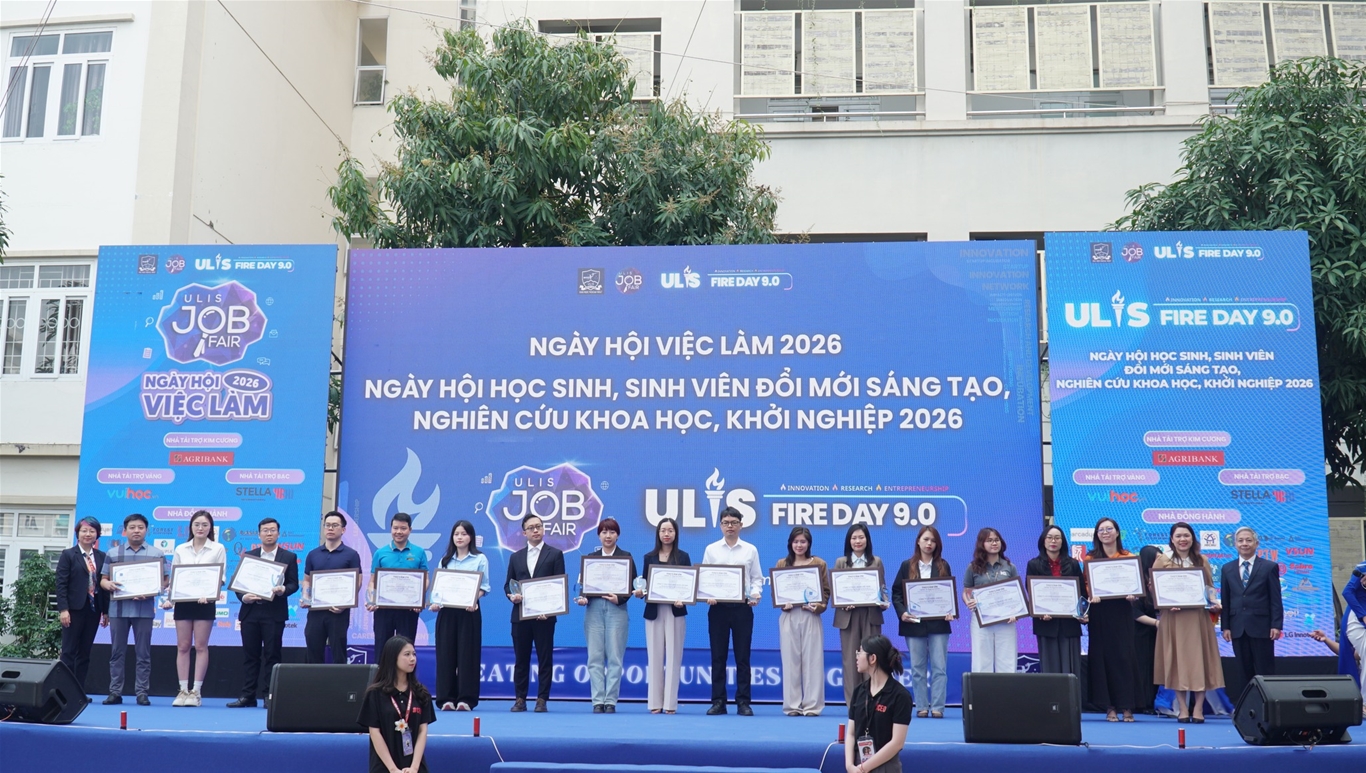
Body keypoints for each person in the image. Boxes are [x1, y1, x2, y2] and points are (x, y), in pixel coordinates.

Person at [1151, 522, 1224, 723]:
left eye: (1186, 535)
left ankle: (1198, 708)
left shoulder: (1202, 560)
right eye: (1178, 536)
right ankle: (1183, 708)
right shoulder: (1162, 561)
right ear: (1172, 539)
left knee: (1199, 662)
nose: (1183, 539)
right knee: (1177, 663)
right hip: (1173, 619)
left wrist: (1213, 602)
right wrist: (1166, 604)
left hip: (1197, 618)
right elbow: (1155, 590)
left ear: (1192, 538)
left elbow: (1209, 587)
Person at [228, 517, 299, 707]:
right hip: (250, 612)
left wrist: (283, 589)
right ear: (259, 534)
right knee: (250, 656)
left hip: (274, 612)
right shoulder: (249, 556)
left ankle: (270, 695)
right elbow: (238, 585)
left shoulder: (288, 557)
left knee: (272, 655)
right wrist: (244, 597)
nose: (269, 533)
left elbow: (294, 584)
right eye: (265, 530)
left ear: (278, 533)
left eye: (273, 530)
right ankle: (248, 696)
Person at [702, 506, 763, 715]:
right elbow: (705, 578)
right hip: (717, 608)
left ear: (741, 525)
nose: (730, 526)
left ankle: (743, 702)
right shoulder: (711, 549)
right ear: (720, 525)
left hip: (742, 608)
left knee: (743, 657)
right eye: (726, 523)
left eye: (734, 523)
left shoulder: (750, 550)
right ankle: (718, 701)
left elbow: (756, 578)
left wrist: (755, 594)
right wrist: (707, 594)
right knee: (718, 656)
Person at [100, 513, 166, 705]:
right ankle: (115, 692)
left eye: (140, 527)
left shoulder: (156, 554)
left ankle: (142, 693)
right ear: (125, 530)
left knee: (143, 654)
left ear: (146, 530)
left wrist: (152, 590)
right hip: (118, 610)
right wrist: (108, 585)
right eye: (132, 527)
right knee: (116, 653)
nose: (136, 531)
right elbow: (103, 580)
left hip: (144, 610)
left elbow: (165, 581)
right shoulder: (113, 553)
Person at [163, 510, 226, 707]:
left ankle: (196, 692)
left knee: (200, 646)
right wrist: (170, 600)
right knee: (182, 646)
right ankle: (183, 690)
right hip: (183, 602)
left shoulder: (218, 548)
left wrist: (210, 594)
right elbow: (175, 578)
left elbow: (220, 577)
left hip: (205, 602)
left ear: (211, 528)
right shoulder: (181, 549)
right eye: (197, 524)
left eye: (205, 525)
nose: (200, 528)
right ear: (191, 527)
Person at [574, 518, 636, 713]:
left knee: (615, 656)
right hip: (594, 609)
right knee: (594, 656)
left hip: (617, 610)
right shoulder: (590, 559)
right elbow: (583, 586)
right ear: (599, 535)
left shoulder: (626, 557)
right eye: (604, 532)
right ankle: (597, 701)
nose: (608, 536)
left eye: (612, 532)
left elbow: (633, 585)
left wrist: (620, 598)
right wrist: (583, 598)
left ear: (618, 535)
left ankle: (610, 701)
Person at [891, 525, 954, 718]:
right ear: (918, 541)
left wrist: (950, 611)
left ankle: (938, 707)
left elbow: (948, 593)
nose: (929, 543)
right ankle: (921, 706)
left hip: (938, 624)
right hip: (913, 623)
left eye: (933, 540)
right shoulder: (906, 565)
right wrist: (902, 613)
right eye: (926, 539)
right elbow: (896, 593)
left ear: (938, 544)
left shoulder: (943, 565)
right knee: (917, 668)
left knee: (939, 668)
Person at [505, 513, 565, 712]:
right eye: (531, 528)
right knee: (521, 660)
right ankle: (520, 698)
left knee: (544, 659)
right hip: (520, 616)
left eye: (539, 526)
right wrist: (512, 596)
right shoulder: (516, 557)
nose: (536, 530)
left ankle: (542, 699)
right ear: (524, 533)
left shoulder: (555, 554)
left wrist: (550, 610)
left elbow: (559, 585)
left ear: (543, 529)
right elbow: (508, 585)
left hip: (544, 617)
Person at [1085, 517, 1139, 721]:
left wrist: (1134, 594)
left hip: (1122, 611)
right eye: (1101, 530)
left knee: (1124, 658)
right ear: (1097, 535)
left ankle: (1127, 706)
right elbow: (1086, 585)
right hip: (1099, 613)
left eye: (1109, 529)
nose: (1105, 533)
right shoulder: (1090, 559)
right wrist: (1091, 594)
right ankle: (1109, 707)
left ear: (1117, 532)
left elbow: (1137, 585)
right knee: (1102, 659)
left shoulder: (1128, 557)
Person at [430, 519, 488, 711]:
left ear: (470, 537)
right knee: (445, 654)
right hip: (447, 613)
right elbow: (438, 589)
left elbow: (484, 587)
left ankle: (466, 699)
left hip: (469, 613)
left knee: (468, 655)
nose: (460, 537)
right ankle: (445, 698)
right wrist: (435, 603)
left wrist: (473, 600)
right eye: (456, 534)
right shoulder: (445, 560)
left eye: (464, 534)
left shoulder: (480, 559)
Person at [773, 526, 829, 716]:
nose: (799, 545)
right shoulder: (782, 563)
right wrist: (783, 604)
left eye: (803, 542)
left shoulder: (819, 563)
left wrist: (818, 606)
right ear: (790, 543)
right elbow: (777, 592)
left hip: (810, 615)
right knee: (790, 660)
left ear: (809, 544)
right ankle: (792, 705)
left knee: (813, 660)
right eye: (796, 541)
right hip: (789, 616)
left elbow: (826, 592)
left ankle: (812, 706)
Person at [358, 635, 436, 773]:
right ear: (393, 658)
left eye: (414, 654)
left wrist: (414, 767)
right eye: (407, 654)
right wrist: (393, 769)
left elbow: (422, 731)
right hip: (384, 766)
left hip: (414, 766)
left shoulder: (421, 693)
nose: (412, 659)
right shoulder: (375, 694)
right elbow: (375, 733)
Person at [1220, 526, 1283, 690]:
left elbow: (1275, 599)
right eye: (1240, 540)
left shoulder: (1269, 566)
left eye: (1248, 540)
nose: (1244, 544)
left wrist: (1276, 625)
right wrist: (1225, 626)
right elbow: (1226, 599)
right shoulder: (1227, 568)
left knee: (1265, 669)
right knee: (1243, 670)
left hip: (1262, 627)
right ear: (1235, 544)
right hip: (1237, 627)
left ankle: (1268, 703)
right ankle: (1246, 704)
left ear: (1256, 543)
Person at [835, 524, 888, 704]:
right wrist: (843, 603)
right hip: (848, 617)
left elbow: (882, 589)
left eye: (861, 537)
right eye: (854, 538)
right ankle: (853, 704)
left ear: (867, 540)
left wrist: (884, 602)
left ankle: (872, 701)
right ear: (849, 541)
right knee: (851, 661)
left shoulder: (876, 561)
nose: (857, 541)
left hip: (870, 615)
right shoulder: (841, 562)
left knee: (872, 658)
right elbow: (837, 592)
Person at [641, 517, 689, 714]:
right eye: (663, 530)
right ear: (658, 533)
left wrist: (683, 598)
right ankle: (654, 703)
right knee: (654, 657)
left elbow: (687, 585)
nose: (666, 534)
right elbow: (644, 584)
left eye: (670, 530)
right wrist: (641, 592)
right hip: (654, 611)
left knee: (674, 657)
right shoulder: (649, 557)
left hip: (675, 612)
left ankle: (670, 704)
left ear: (676, 533)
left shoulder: (683, 557)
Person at [844, 635, 912, 773]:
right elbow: (851, 733)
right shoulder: (859, 691)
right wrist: (850, 766)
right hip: (857, 765)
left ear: (873, 658)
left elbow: (897, 743)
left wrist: (864, 768)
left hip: (885, 765)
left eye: (860, 652)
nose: (857, 657)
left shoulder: (900, 695)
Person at [1024, 525, 1084, 683]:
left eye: (1057, 538)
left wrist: (1082, 613)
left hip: (1069, 624)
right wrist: (1039, 612)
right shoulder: (1033, 564)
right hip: (1046, 624)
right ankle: (1051, 700)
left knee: (1071, 671)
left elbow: (1082, 593)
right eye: (1049, 537)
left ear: (1062, 541)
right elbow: (1031, 592)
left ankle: (1071, 700)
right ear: (1043, 541)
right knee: (1050, 672)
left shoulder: (1073, 564)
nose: (1053, 541)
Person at [303, 511, 363, 664]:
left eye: (335, 525)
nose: (330, 528)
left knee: (338, 651)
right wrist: (306, 597)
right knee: (313, 648)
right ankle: (314, 680)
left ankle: (340, 680)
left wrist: (345, 603)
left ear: (343, 529)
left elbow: (358, 581)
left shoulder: (351, 554)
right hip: (316, 611)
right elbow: (307, 580)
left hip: (338, 611)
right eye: (327, 525)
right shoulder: (313, 554)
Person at [56, 516, 109, 690]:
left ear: (97, 535)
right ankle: (64, 691)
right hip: (73, 610)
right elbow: (61, 584)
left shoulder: (101, 556)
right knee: (69, 651)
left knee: (85, 652)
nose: (88, 534)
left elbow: (104, 585)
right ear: (77, 533)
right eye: (84, 530)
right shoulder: (68, 555)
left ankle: (79, 691)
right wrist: (63, 609)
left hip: (93, 610)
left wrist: (106, 611)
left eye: (92, 531)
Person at [962, 527, 1018, 674]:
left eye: (996, 540)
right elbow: (966, 591)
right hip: (981, 620)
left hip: (1006, 620)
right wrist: (968, 601)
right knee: (981, 663)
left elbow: (1017, 594)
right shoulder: (973, 567)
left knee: (1007, 663)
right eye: (989, 540)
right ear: (982, 544)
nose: (994, 543)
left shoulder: (1009, 567)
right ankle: (982, 690)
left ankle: (1006, 690)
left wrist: (1016, 612)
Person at [368, 512, 429, 644]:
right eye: (395, 528)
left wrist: (418, 599)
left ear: (410, 530)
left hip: (408, 609)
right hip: (383, 609)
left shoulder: (419, 552)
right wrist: (371, 599)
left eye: (403, 528)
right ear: (391, 529)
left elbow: (425, 579)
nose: (399, 532)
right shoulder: (380, 552)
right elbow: (372, 581)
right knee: (382, 647)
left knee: (406, 647)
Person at [1327, 561, 1366, 714]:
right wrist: (1363, 615)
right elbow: (1347, 592)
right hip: (1356, 617)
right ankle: (1364, 702)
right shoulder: (1363, 567)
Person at [1131, 545, 1162, 714]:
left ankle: (1154, 702)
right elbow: (1135, 613)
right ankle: (1142, 703)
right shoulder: (1136, 582)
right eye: (1157, 558)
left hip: (1157, 633)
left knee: (1155, 667)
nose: (1161, 561)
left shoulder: (1160, 580)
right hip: (1140, 633)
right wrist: (1156, 623)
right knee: (1143, 667)